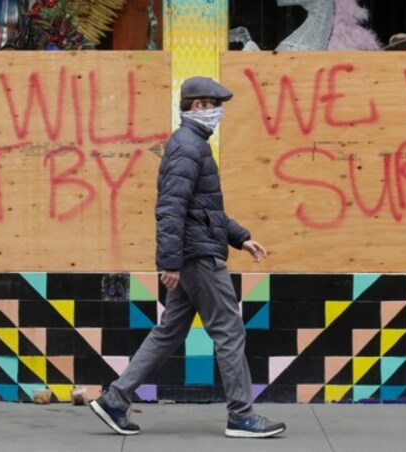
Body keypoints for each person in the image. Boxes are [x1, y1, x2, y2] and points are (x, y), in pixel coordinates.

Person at [89, 77, 286, 439]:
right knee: (229, 330)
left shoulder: (193, 145)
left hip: (193, 252)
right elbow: (170, 208)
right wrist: (170, 262)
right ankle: (241, 415)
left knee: (168, 332)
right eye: (215, 104)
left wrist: (240, 238)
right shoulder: (187, 146)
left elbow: (203, 207)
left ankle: (116, 400)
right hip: (198, 258)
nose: (219, 112)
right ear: (197, 106)